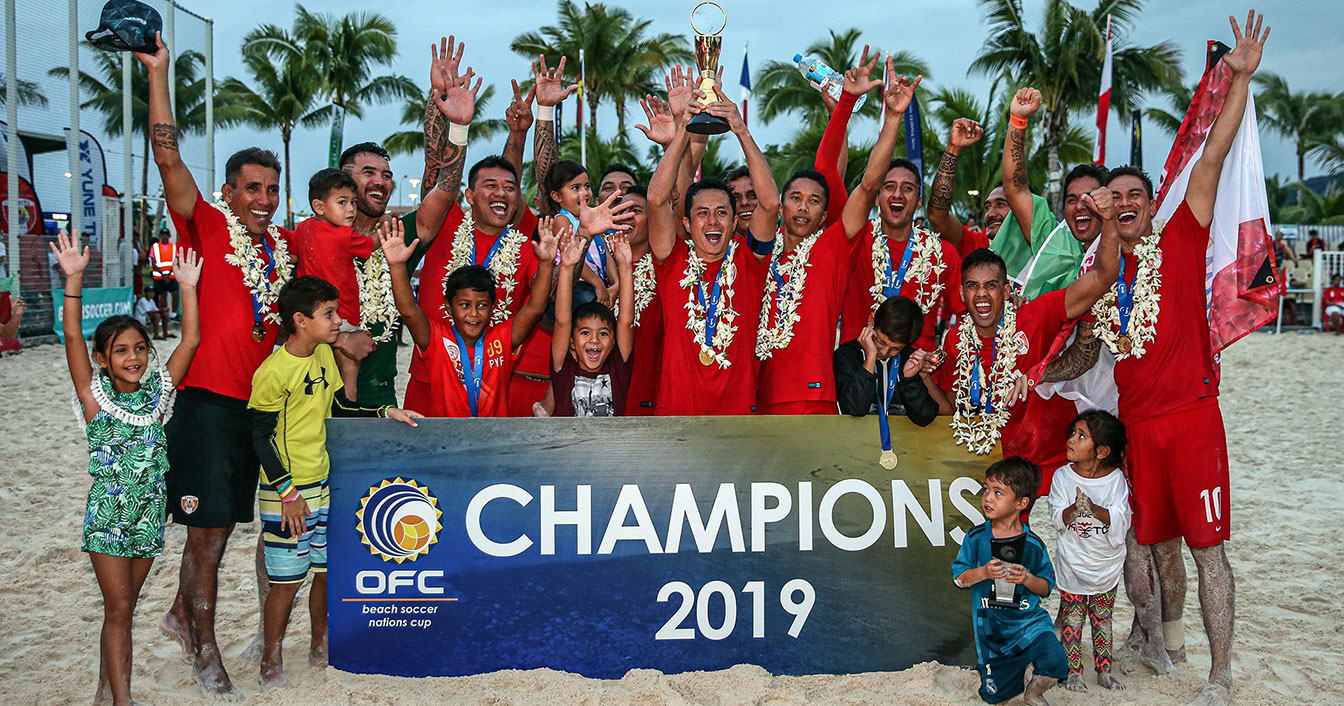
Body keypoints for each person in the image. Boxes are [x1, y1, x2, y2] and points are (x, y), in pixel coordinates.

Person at [1094, 16, 1268, 704]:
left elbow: (1214, 157)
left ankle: (1221, 678)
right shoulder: (1107, 271)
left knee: (1208, 555)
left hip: (1192, 420)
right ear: (1108, 207)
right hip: (1136, 428)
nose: (1130, 204)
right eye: (1119, 198)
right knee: (1150, 544)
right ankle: (1157, 644)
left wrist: (1242, 79)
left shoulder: (1184, 235)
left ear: (1150, 206)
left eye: (1138, 196)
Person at [136, 32, 299, 696]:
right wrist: (157, 74)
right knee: (205, 538)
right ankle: (203, 646)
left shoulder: (282, 250)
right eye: (251, 188)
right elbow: (167, 155)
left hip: (258, 413)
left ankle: (183, 616)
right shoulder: (202, 222)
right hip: (204, 404)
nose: (263, 199)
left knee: (231, 533)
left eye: (271, 189)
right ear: (230, 192)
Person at [52, 229, 202, 706]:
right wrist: (73, 278)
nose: (133, 357)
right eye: (120, 350)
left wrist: (188, 287)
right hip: (109, 518)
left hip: (149, 515)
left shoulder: (158, 396)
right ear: (102, 359)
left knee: (126, 609)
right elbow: (72, 334)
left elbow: (192, 338)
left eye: (139, 348)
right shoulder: (94, 399)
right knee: (118, 611)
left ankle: (106, 690)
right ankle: (122, 701)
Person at [249, 276, 421, 689]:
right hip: (286, 494)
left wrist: (385, 413)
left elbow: (340, 406)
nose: (338, 320)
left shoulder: (325, 354)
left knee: (326, 572)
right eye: (329, 314)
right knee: (287, 582)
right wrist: (287, 492)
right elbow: (259, 436)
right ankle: (270, 662)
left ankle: (320, 646)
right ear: (300, 320)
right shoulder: (272, 372)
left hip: (322, 484)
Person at [928, 184, 1119, 505]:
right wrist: (922, 377)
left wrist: (1110, 220)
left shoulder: (1037, 313)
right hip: (998, 470)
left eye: (992, 286)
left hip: (1056, 468)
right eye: (973, 287)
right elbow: (949, 407)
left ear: (1006, 290)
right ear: (961, 295)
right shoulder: (955, 340)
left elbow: (1103, 275)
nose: (983, 295)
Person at [758, 52, 919, 414]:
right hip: (758, 396)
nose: (803, 207)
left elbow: (867, 186)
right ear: (780, 207)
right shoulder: (754, 254)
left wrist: (890, 118)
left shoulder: (833, 247)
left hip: (816, 399)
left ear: (824, 215)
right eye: (795, 199)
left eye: (814, 202)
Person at [405, 39, 541, 417]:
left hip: (495, 392)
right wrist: (442, 103)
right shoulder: (446, 223)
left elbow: (537, 305)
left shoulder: (526, 246)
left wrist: (522, 131)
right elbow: (435, 168)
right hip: (429, 384)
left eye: (509, 189)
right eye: (490, 187)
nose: (501, 194)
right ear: (468, 195)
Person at [646, 84, 775, 415]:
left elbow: (770, 202)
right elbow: (656, 200)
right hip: (676, 416)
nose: (712, 221)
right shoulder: (671, 260)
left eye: (722, 213)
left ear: (734, 224)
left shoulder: (750, 260)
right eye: (702, 213)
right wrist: (684, 127)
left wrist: (740, 128)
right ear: (687, 225)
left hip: (738, 419)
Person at [384, 210, 564, 416]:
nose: (473, 314)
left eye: (482, 305)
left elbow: (535, 309)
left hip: (492, 443)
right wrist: (397, 265)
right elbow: (408, 311)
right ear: (449, 307)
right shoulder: (437, 340)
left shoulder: (502, 340)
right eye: (464, 305)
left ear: (493, 307)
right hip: (446, 444)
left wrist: (546, 263)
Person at [839, 104, 963, 351]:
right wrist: (840, 114)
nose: (898, 194)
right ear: (876, 198)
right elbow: (834, 178)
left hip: (913, 380)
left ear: (918, 202)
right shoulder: (856, 241)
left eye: (907, 188)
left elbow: (966, 317)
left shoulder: (942, 253)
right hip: (857, 372)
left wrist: (938, 360)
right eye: (888, 186)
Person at [952, 457, 1068, 706]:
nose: (988, 498)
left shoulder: (1034, 544)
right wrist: (982, 572)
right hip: (992, 634)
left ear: (1021, 503)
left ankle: (1034, 692)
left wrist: (1026, 578)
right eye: (986, 489)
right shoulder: (975, 538)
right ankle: (1016, 673)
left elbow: (1046, 587)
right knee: (995, 698)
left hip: (1030, 624)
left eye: (998, 493)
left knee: (1057, 662)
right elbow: (959, 578)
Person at [1048, 410, 1130, 693]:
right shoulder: (1062, 477)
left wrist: (1095, 510)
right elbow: (1056, 518)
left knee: (1103, 618)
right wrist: (1074, 509)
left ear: (1102, 451)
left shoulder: (1115, 480)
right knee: (1071, 618)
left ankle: (1104, 671)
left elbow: (1122, 518)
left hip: (1105, 565)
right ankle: (1073, 672)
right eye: (1073, 432)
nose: (1071, 439)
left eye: (1081, 436)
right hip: (1073, 562)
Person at [996, 88, 1086, 299]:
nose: (1081, 206)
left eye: (1090, 197)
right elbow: (1015, 189)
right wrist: (1018, 120)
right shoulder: (1055, 239)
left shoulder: (1126, 248)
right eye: (1072, 199)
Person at [290, 168, 371, 399]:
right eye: (342, 202)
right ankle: (348, 409)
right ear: (319, 206)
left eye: (354, 203)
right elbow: (371, 244)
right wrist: (386, 227)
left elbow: (292, 253)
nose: (351, 209)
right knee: (349, 367)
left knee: (313, 367)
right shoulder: (342, 236)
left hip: (310, 314)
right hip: (341, 314)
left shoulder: (304, 228)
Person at [550, 220, 635, 417]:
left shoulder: (617, 366)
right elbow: (562, 320)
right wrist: (567, 267)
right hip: (569, 448)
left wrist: (625, 267)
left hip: (610, 448)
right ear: (571, 343)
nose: (594, 340)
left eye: (603, 333)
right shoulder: (564, 366)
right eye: (585, 332)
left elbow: (626, 320)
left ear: (614, 342)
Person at [833, 295, 939, 423]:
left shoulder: (909, 359)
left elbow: (925, 418)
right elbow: (855, 408)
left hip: (900, 442)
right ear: (872, 321)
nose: (884, 352)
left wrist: (910, 380)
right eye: (881, 341)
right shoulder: (847, 355)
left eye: (896, 348)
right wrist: (870, 358)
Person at [925, 119, 1009, 259]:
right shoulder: (976, 244)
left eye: (1000, 204)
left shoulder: (1043, 249)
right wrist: (953, 148)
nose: (990, 214)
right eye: (987, 207)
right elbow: (937, 216)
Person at [149, 226, 178, 318]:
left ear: (169, 236)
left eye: (166, 235)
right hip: (159, 276)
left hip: (171, 275)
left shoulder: (173, 247)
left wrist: (168, 274)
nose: (164, 237)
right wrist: (163, 274)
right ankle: (164, 313)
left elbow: (176, 261)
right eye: (163, 235)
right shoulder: (155, 247)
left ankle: (173, 314)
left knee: (175, 294)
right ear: (160, 236)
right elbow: (153, 262)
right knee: (163, 295)